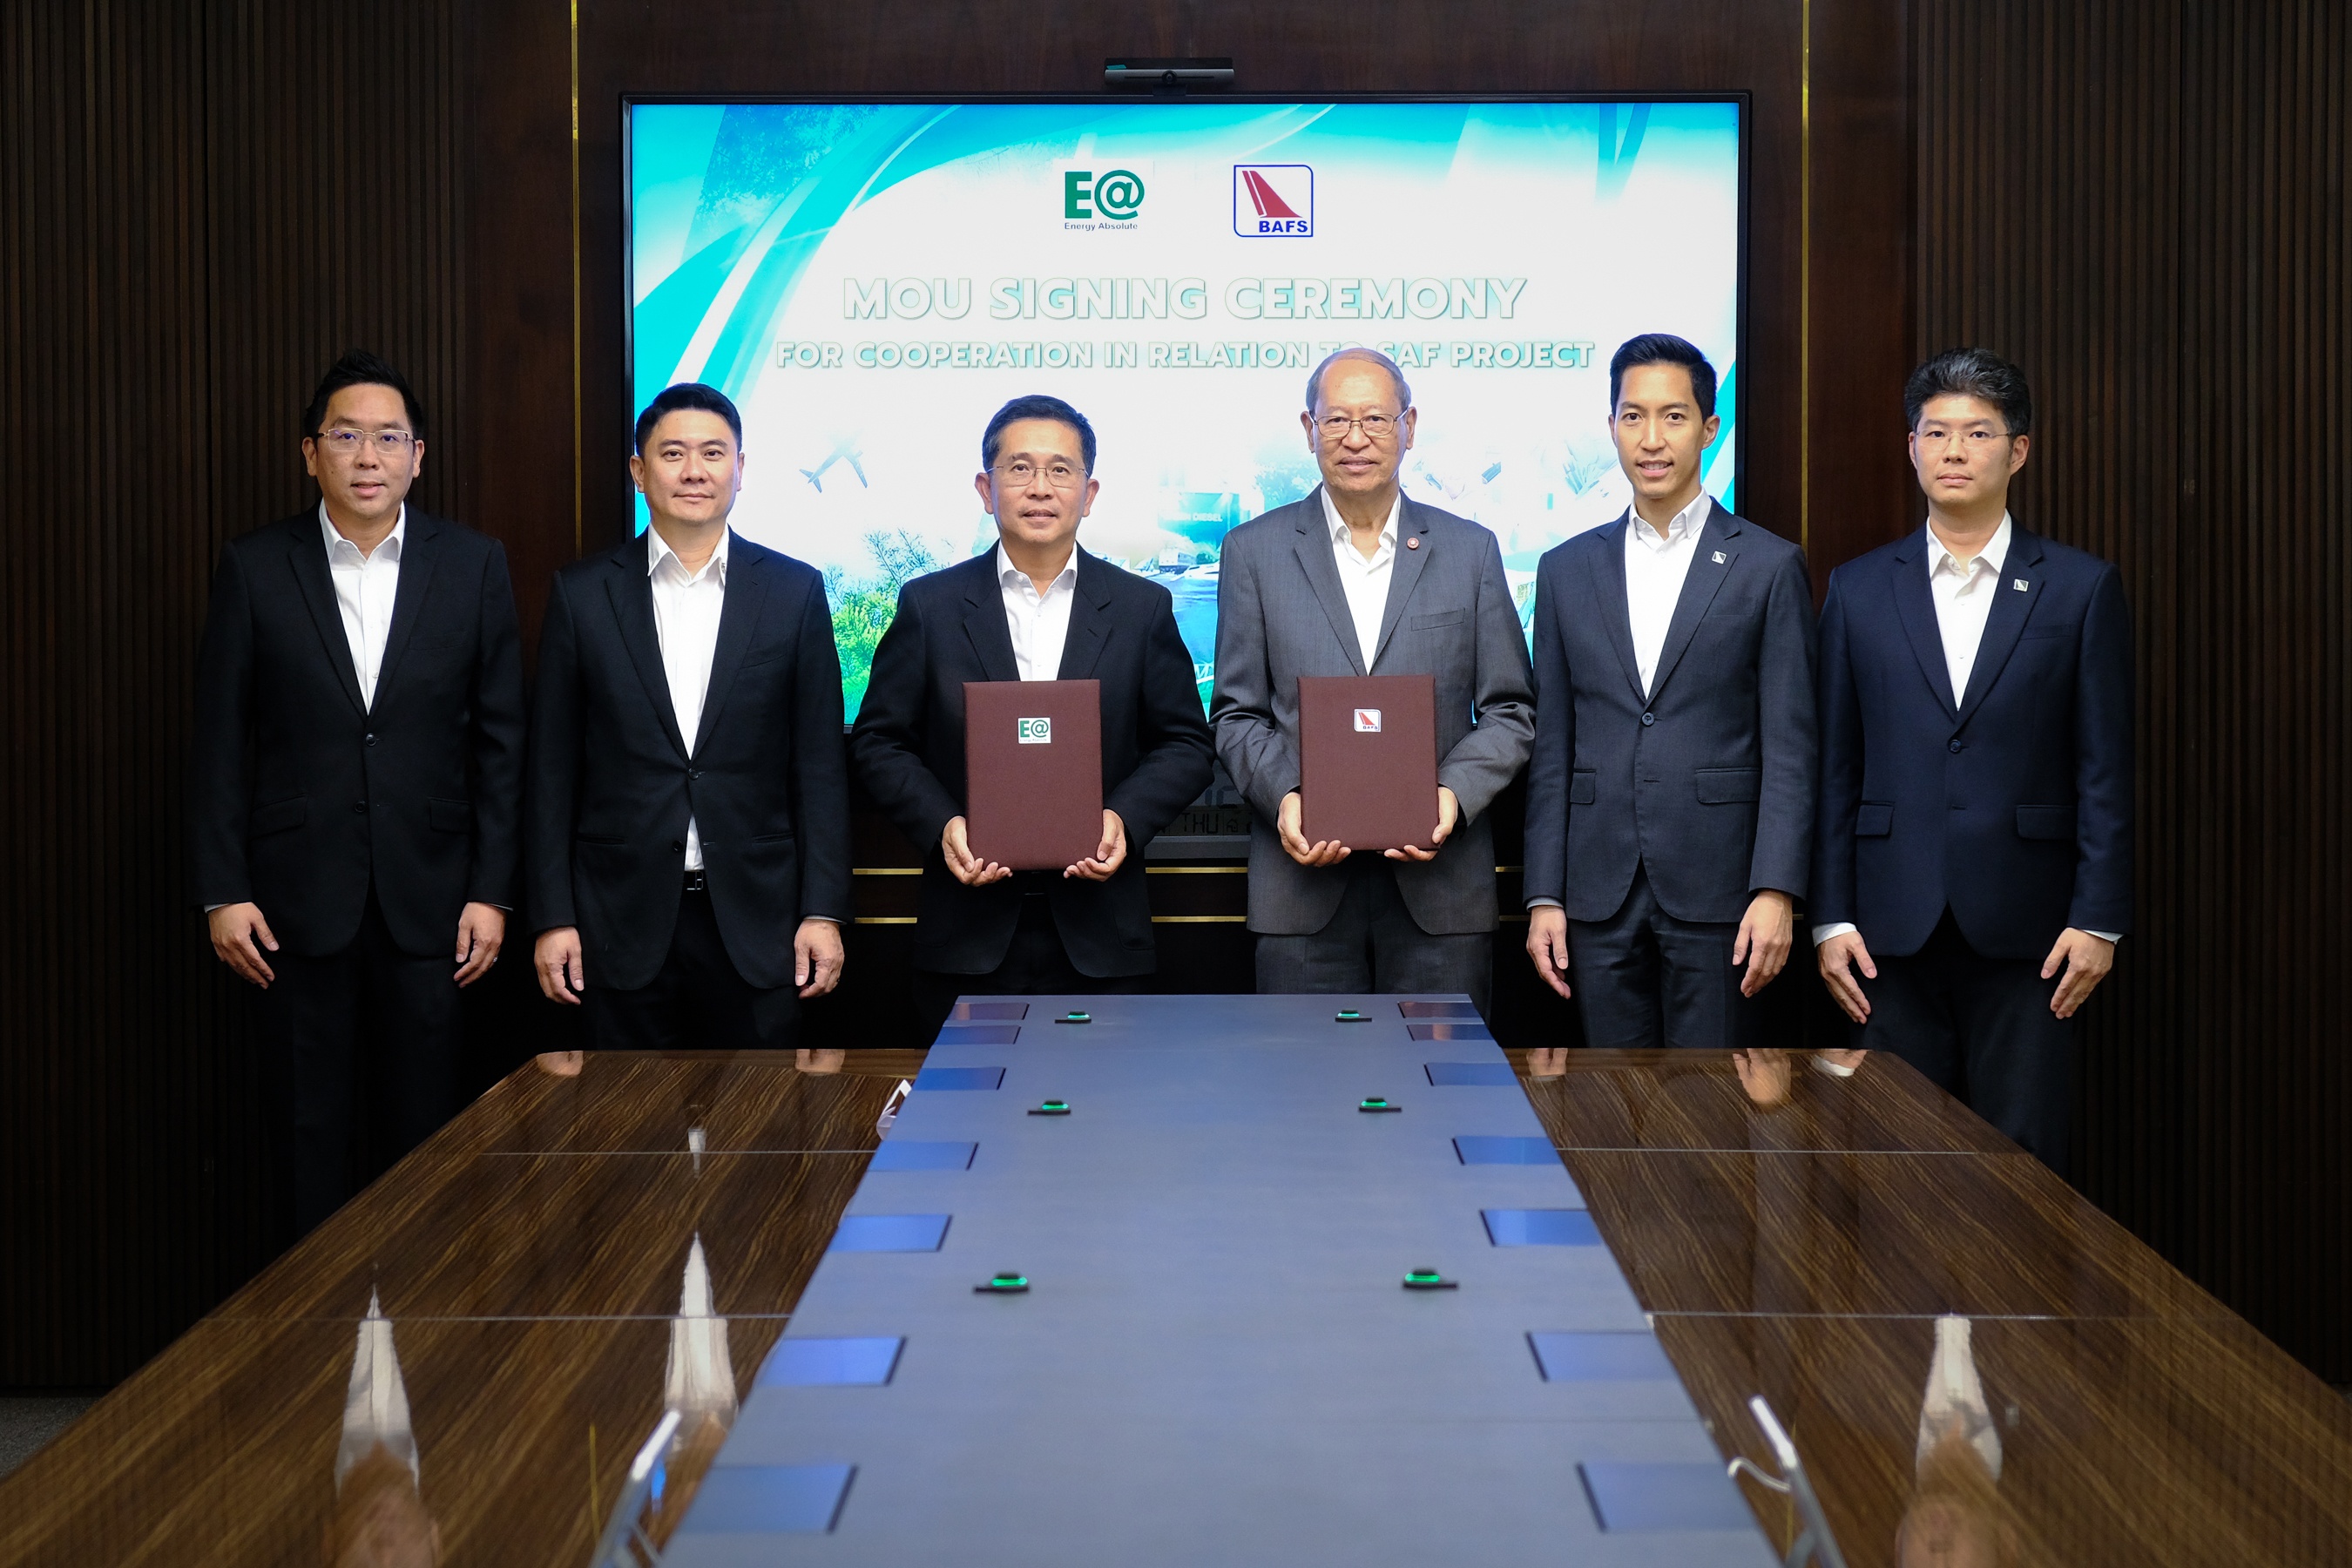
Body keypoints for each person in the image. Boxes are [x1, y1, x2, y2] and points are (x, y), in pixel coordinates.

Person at [189, 350, 525, 1235]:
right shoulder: (256, 567)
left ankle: (424, 1317)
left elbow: (502, 745)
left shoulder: (474, 564)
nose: (367, 457)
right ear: (311, 454)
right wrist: (223, 891)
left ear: (419, 455)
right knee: (308, 1139)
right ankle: (317, 1320)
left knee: (431, 1140)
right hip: (292, 907)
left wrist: (493, 891)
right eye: (345, 437)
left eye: (388, 438)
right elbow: (219, 742)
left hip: (438, 904)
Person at [1813, 348, 2132, 1174]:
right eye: (1936, 432)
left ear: (2018, 451)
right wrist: (1830, 918)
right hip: (1886, 931)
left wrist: (2098, 920)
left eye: (1978, 433)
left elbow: (2104, 768)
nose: (1954, 450)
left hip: (2034, 932)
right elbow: (1835, 766)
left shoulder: (2079, 588)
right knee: (1892, 1160)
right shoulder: (1856, 588)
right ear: (1911, 447)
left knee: (2022, 1165)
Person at [850, 395, 1213, 1031]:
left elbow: (1186, 743)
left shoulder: (1141, 608)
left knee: (1103, 1096)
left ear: (1089, 493)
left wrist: (1123, 819)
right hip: (966, 933)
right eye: (1019, 468)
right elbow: (880, 742)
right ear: (985, 488)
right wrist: (943, 825)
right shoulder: (930, 607)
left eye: (1060, 470)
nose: (1040, 488)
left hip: (1103, 933)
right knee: (969, 1095)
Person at [526, 382, 850, 1048]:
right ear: (639, 471)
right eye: (673, 453)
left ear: (740, 470)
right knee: (623, 1116)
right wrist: (553, 916)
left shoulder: (793, 592)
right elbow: (551, 771)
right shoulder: (582, 595)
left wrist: (823, 911)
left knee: (760, 1113)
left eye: (713, 453)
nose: (694, 471)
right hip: (617, 923)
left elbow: (819, 768)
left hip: (760, 924)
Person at [1211, 348, 1534, 1015]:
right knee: (1303, 1078)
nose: (1355, 438)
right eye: (1336, 421)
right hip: (1300, 891)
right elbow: (1237, 714)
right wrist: (1287, 797)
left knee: (1442, 1076)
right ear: (1309, 430)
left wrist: (1451, 795)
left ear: (1408, 427)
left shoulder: (1470, 550)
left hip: (1441, 893)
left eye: (1375, 420)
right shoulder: (1253, 552)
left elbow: (1510, 710)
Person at [1522, 334, 1818, 1048]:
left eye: (1674, 417)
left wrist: (1776, 889)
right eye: (1633, 416)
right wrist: (1543, 894)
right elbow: (1552, 746)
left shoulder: (1768, 565)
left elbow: (1791, 747)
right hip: (1594, 892)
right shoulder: (1565, 569)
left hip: (1723, 892)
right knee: (1608, 1102)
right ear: (1612, 426)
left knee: (1714, 1102)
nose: (1651, 439)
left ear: (1709, 428)